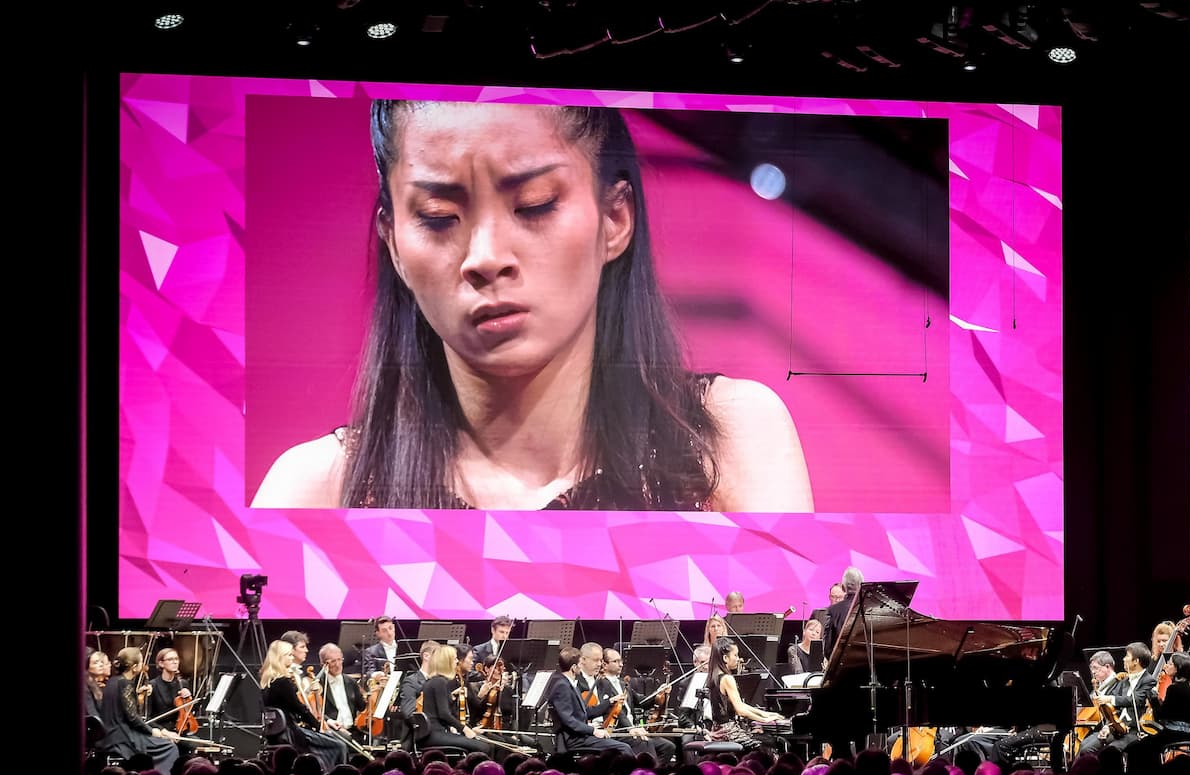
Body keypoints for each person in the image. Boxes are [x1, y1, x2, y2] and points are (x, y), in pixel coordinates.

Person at [252, 100, 814, 513]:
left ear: (615, 218)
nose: (486, 257)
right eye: (439, 217)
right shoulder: (316, 491)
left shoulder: (728, 440)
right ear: (394, 241)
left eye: (535, 205)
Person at [258, 640, 349, 768]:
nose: (292, 658)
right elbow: (300, 709)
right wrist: (318, 726)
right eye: (289, 655)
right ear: (280, 658)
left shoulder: (266, 682)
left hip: (276, 735)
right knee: (339, 745)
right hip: (291, 733)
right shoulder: (283, 682)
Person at [104, 648, 181, 775]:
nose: (143, 665)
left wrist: (139, 697)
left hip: (111, 733)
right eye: (141, 662)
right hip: (122, 736)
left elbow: (122, 708)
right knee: (170, 747)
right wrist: (152, 731)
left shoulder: (113, 681)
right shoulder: (126, 683)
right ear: (134, 667)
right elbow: (133, 717)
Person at [417, 644, 503, 757]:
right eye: (454, 659)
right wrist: (465, 729)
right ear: (446, 662)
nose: (457, 661)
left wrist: (452, 697)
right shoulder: (440, 682)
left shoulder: (435, 681)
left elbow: (441, 708)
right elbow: (444, 714)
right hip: (435, 733)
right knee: (484, 747)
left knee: (487, 745)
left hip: (437, 732)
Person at [593, 646, 676, 762]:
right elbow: (616, 710)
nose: (620, 664)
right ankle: (646, 774)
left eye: (620, 661)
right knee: (645, 743)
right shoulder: (602, 684)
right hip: (619, 731)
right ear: (605, 665)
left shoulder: (624, 684)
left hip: (632, 730)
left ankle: (656, 773)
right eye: (615, 661)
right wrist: (630, 728)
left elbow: (642, 702)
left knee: (668, 747)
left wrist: (659, 693)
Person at [548, 646, 634, 756]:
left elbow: (585, 712)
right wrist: (593, 731)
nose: (581, 666)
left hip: (581, 736)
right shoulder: (562, 686)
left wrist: (610, 702)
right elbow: (569, 720)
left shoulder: (569, 683)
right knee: (623, 748)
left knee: (621, 746)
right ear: (574, 667)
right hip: (573, 739)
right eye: (580, 663)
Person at [704, 638, 787, 751]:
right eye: (735, 655)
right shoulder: (727, 679)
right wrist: (765, 720)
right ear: (725, 658)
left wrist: (766, 714)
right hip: (729, 733)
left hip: (717, 731)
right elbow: (741, 710)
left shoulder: (712, 678)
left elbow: (741, 705)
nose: (738, 659)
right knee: (773, 742)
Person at [1124, 652, 1190, 770]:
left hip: (1173, 733)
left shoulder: (1173, 688)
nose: (1165, 666)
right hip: (1187, 732)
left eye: (1169, 664)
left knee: (1134, 748)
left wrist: (1154, 700)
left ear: (1177, 668)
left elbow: (1161, 716)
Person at [145, 647, 198, 737]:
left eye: (176, 659)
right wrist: (165, 732)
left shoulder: (183, 683)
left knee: (196, 743)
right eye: (170, 659)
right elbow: (148, 719)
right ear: (161, 663)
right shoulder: (153, 686)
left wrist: (189, 700)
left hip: (181, 729)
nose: (175, 662)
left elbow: (190, 712)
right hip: (162, 731)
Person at [317, 643, 366, 740]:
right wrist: (329, 721)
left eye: (339, 659)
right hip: (332, 731)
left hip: (353, 731)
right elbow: (316, 712)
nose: (337, 665)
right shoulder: (319, 685)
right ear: (323, 664)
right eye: (333, 661)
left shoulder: (351, 682)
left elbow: (362, 707)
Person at [824, 566, 864, 663]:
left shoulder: (833, 610)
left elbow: (827, 648)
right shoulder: (871, 607)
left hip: (840, 666)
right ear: (862, 585)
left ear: (843, 587)